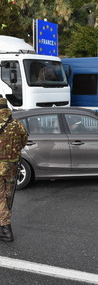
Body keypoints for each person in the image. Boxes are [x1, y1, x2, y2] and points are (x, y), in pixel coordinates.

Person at [0, 97, 28, 242]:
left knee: (0, 199)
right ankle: (3, 225)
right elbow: (24, 139)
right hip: (12, 166)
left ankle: (6, 230)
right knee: (8, 197)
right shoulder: (16, 124)